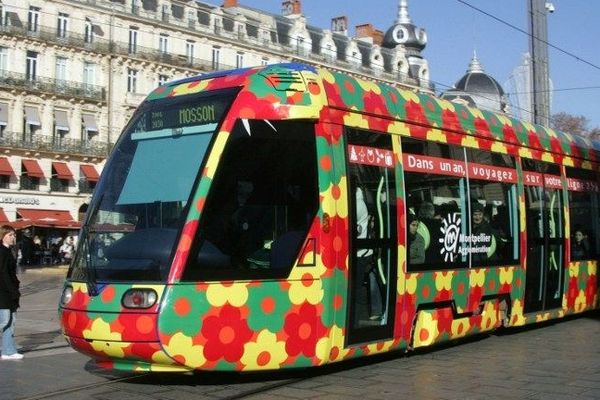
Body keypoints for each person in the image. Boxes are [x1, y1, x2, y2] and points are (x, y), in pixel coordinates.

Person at [0, 224, 22, 360]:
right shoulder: (2, 251)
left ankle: (8, 350)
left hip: (10, 293)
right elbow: (3, 274)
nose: (13, 237)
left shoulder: (9, 250)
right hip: (4, 293)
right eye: (10, 235)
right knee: (4, 321)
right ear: (3, 236)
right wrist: (13, 290)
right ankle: (7, 350)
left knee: (10, 321)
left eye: (14, 235)